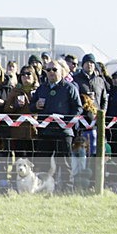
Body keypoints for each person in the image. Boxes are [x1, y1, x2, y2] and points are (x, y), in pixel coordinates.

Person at [31, 61, 82, 189]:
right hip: (45, 132)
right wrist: (36, 105)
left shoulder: (69, 88)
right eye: (48, 70)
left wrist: (67, 123)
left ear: (61, 71)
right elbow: (31, 106)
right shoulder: (42, 88)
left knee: (64, 163)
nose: (51, 72)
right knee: (42, 162)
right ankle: (42, 188)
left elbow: (78, 108)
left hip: (63, 132)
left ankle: (66, 188)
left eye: (54, 69)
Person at [71, 53, 108, 156]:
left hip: (96, 121)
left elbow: (104, 99)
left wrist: (102, 113)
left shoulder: (100, 80)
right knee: (81, 152)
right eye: (87, 62)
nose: (89, 65)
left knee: (95, 150)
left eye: (92, 62)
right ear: (82, 65)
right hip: (81, 121)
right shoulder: (76, 79)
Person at [4, 64, 39, 157]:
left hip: (34, 130)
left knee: (34, 159)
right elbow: (7, 109)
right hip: (18, 131)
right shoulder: (15, 91)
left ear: (34, 76)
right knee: (20, 158)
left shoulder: (39, 90)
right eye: (23, 74)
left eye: (28, 74)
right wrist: (16, 106)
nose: (25, 76)